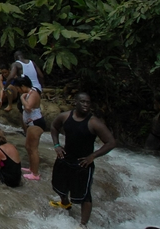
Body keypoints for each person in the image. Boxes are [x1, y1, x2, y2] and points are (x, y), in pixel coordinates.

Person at [49, 92, 116, 227]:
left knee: (85, 195)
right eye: (83, 102)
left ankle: (83, 224)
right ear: (76, 102)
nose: (86, 105)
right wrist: (56, 145)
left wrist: (93, 156)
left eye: (88, 102)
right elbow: (54, 127)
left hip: (83, 163)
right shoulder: (65, 116)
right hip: (65, 158)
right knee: (59, 185)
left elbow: (111, 142)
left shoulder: (94, 122)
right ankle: (65, 202)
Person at [17, 76, 45, 180]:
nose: (18, 90)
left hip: (36, 123)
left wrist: (22, 99)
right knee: (28, 146)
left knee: (33, 149)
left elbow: (28, 107)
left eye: (18, 88)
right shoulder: (29, 93)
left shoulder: (33, 93)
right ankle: (31, 168)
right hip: (31, 123)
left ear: (23, 86)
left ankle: (35, 174)